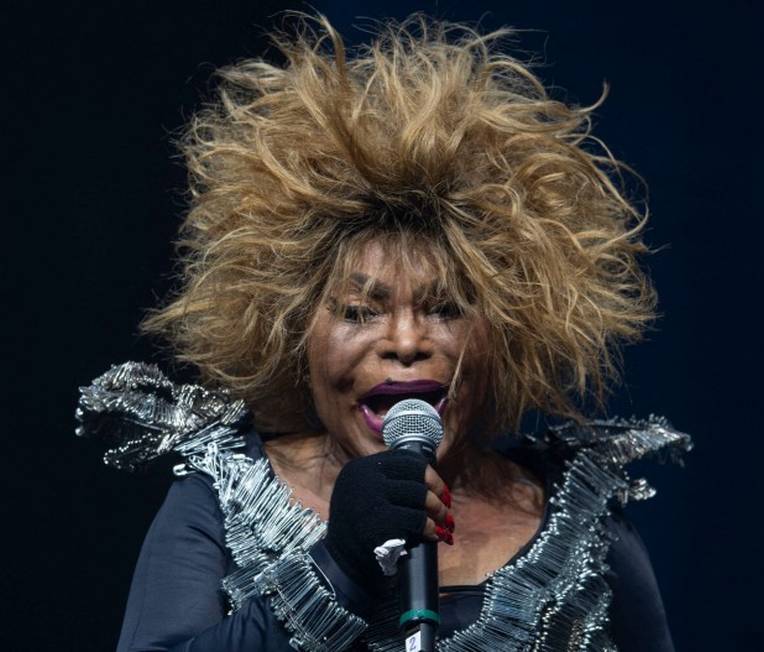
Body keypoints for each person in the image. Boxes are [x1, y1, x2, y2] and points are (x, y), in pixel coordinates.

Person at [76, 13, 691, 652]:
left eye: (445, 308)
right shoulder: (221, 500)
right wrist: (337, 567)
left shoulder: (581, 523)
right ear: (292, 332)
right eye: (359, 311)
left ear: (504, 331)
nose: (404, 341)